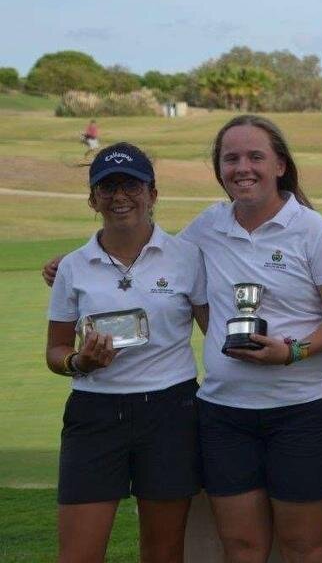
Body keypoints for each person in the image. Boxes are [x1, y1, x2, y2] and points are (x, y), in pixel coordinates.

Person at [179, 115, 322, 563]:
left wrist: (291, 352)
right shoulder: (207, 226)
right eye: (231, 158)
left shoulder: (312, 230)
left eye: (255, 156)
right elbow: (158, 267)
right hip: (224, 415)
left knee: (303, 548)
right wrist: (76, 262)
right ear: (219, 169)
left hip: (301, 414)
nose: (243, 167)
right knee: (241, 549)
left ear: (280, 164)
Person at [46, 142, 207, 563]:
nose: (120, 196)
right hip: (94, 413)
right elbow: (56, 349)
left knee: (163, 551)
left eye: (132, 185)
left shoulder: (187, 257)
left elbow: (214, 331)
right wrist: (80, 361)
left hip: (170, 411)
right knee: (79, 555)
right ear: (93, 198)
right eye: (108, 187)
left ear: (152, 194)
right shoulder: (72, 266)